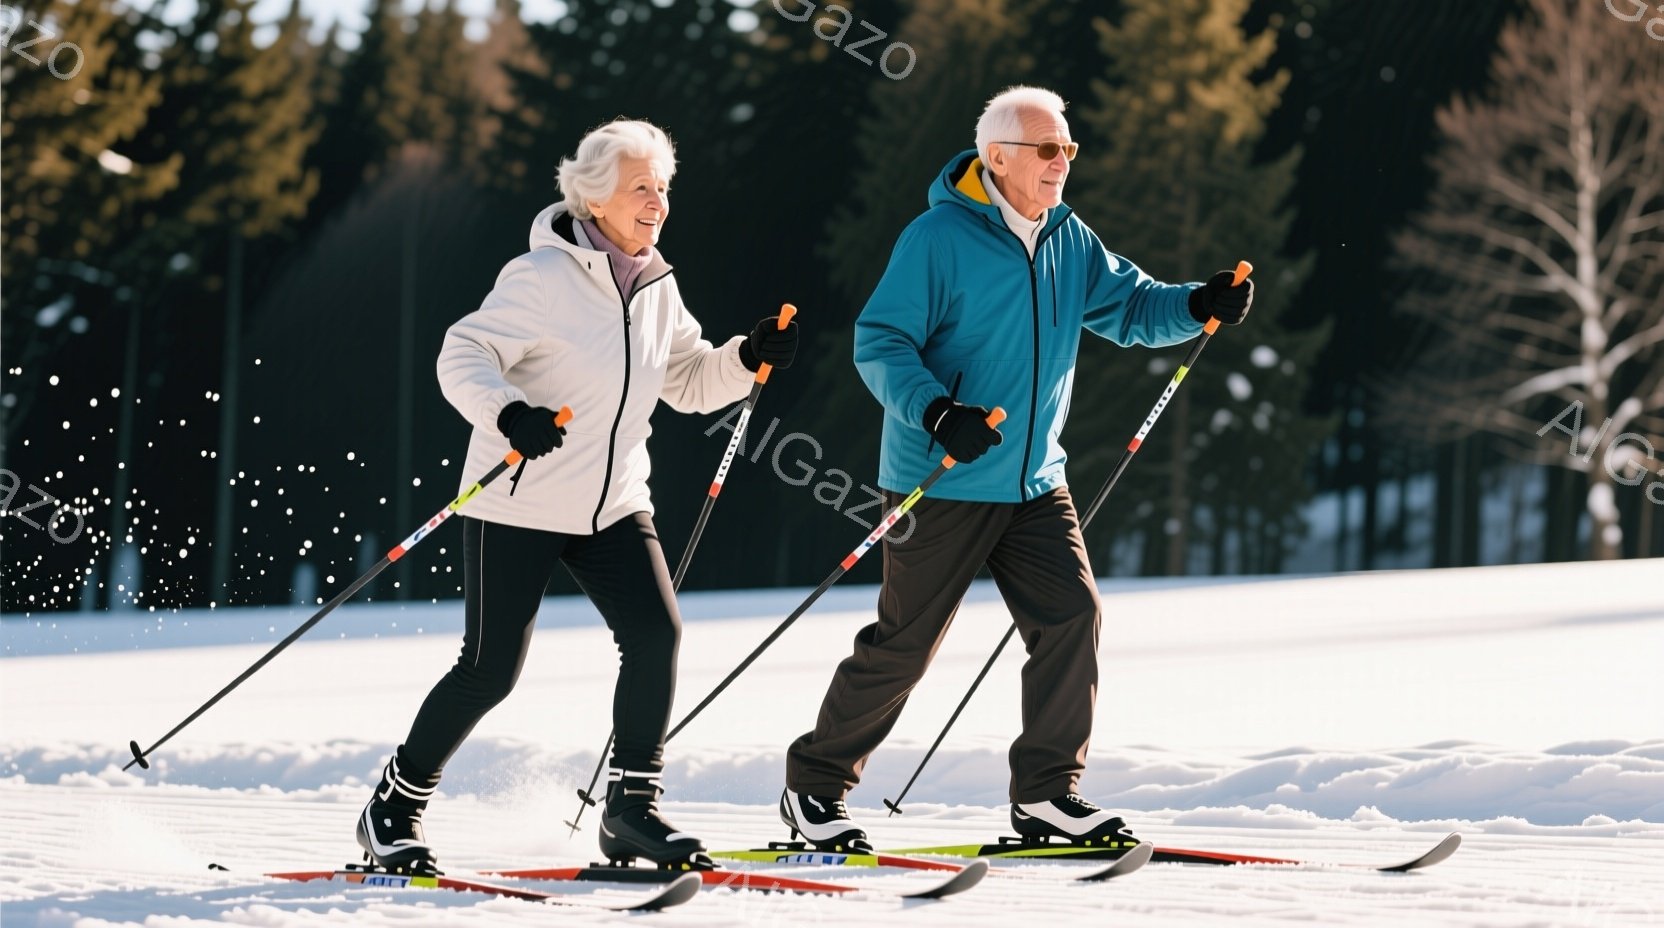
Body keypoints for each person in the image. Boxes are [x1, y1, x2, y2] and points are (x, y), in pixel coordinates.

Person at [780, 86, 1251, 852]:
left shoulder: (1068, 236)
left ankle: (1047, 796)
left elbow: (1132, 308)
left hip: (1035, 481)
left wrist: (1198, 301)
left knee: (1073, 616)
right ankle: (814, 788)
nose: (1062, 161)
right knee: (905, 644)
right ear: (998, 159)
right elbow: (880, 342)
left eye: (1068, 148)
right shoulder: (937, 238)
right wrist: (937, 414)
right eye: (1047, 149)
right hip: (944, 478)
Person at [356, 119, 799, 873]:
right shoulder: (541, 278)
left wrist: (746, 356)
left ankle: (630, 811)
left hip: (616, 505)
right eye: (639, 188)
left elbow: (688, 381)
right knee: (490, 669)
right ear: (594, 199)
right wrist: (509, 413)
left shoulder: (658, 283)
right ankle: (393, 808)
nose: (656, 202)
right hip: (518, 502)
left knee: (656, 637)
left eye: (662, 188)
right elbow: (460, 352)